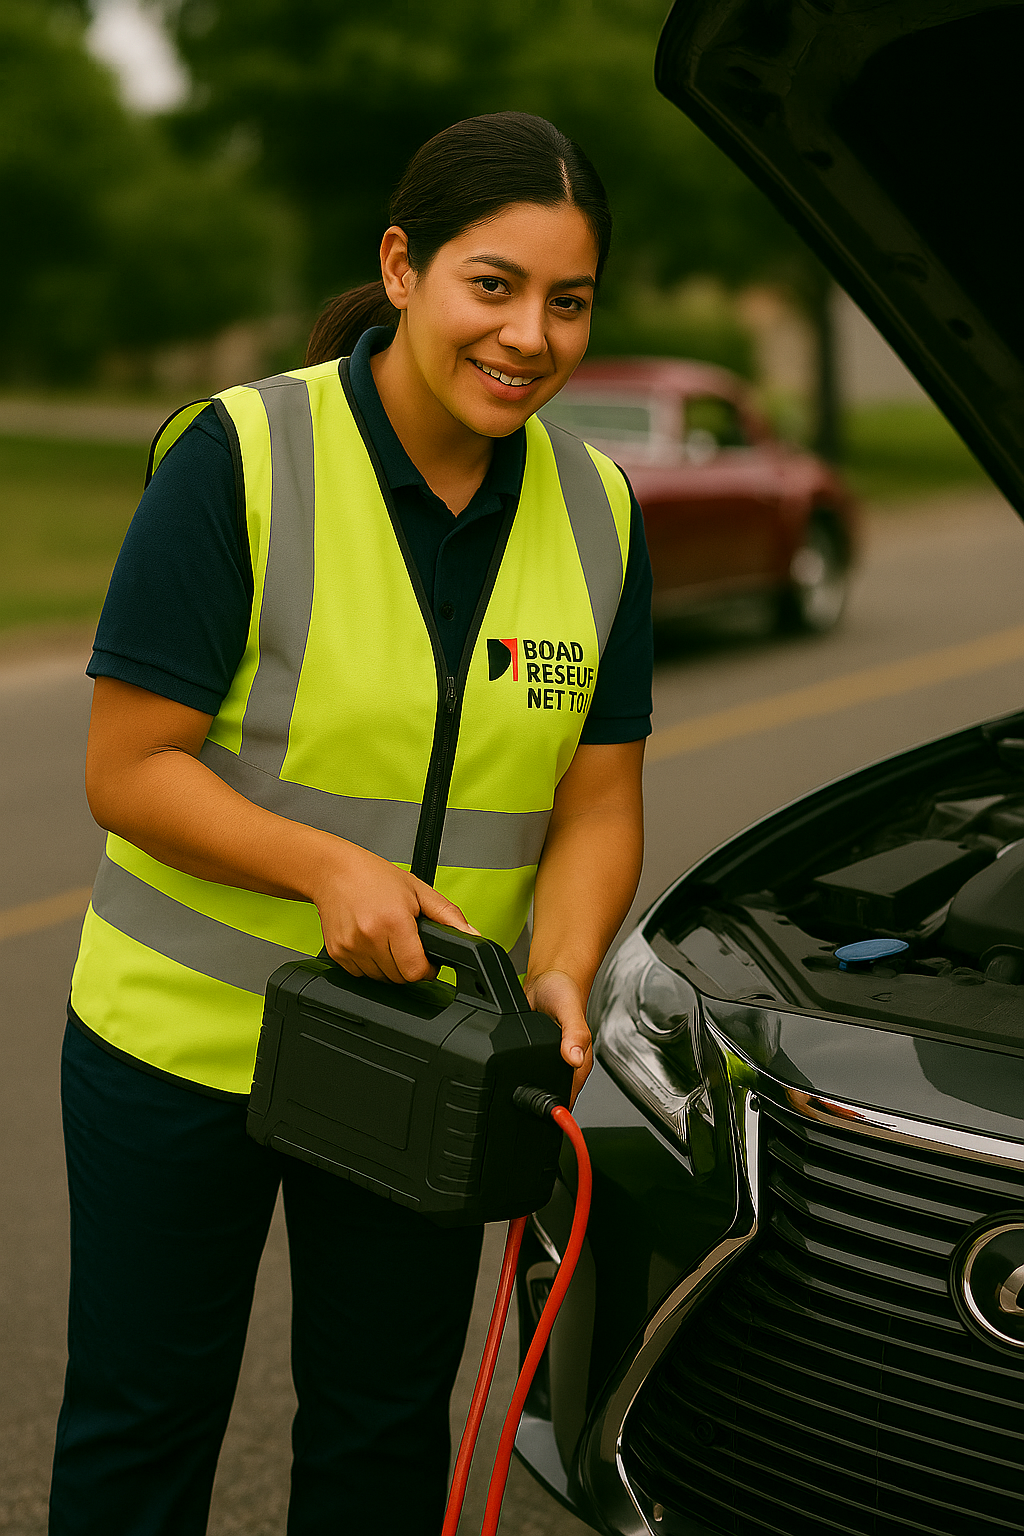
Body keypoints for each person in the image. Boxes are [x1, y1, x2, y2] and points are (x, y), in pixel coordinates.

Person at [51, 112, 653, 1534]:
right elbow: (130, 766)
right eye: (491, 285)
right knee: (144, 1433)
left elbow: (600, 799)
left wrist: (562, 968)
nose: (528, 336)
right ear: (402, 268)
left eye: (568, 301)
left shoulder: (603, 508)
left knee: (384, 1444)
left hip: (431, 1068)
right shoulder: (239, 456)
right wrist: (327, 865)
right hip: (181, 1047)